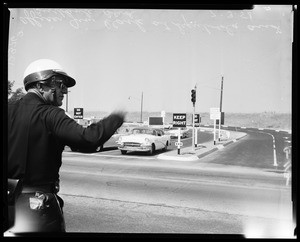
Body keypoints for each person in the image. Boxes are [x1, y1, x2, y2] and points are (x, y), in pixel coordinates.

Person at [6, 59, 126, 234]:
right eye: (60, 84)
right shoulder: (51, 114)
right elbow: (89, 139)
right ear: (41, 85)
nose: (65, 91)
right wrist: (116, 118)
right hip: (37, 207)